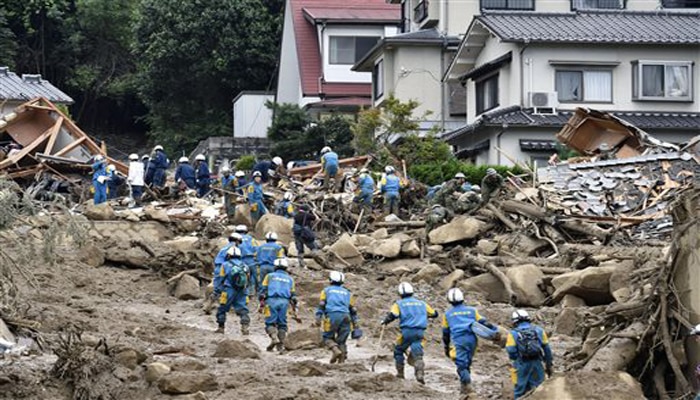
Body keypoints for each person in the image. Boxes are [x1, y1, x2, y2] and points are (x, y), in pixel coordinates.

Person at [442, 288, 498, 396]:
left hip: (459, 340)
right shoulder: (472, 310)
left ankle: (467, 387)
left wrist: (446, 347)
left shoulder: (448, 314)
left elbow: (445, 332)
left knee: (461, 364)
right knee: (467, 362)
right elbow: (484, 322)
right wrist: (495, 330)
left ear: (449, 300)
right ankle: (463, 387)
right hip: (472, 339)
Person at [381, 282, 439, 384]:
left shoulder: (398, 304)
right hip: (420, 332)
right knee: (418, 354)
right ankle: (419, 373)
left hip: (407, 332)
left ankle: (400, 374)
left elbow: (393, 314)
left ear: (400, 293)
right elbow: (434, 314)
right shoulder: (422, 303)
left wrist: (385, 321)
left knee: (398, 350)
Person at [506, 309, 553, 399]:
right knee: (540, 387)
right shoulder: (539, 330)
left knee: (519, 389)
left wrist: (516, 359)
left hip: (521, 364)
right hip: (537, 363)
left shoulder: (513, 333)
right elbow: (547, 348)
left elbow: (511, 350)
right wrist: (548, 363)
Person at [315, 271, 360, 364]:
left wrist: (318, 316)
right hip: (346, 316)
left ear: (330, 280)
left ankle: (335, 350)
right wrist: (355, 324)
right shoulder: (347, 293)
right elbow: (353, 309)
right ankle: (341, 362)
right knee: (342, 340)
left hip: (332, 316)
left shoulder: (326, 290)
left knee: (327, 337)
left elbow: (322, 304)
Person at [260, 257, 297, 352]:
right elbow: (293, 295)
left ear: (275, 267)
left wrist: (261, 303)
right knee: (282, 324)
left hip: (271, 301)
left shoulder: (269, 276)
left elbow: (263, 291)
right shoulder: (290, 279)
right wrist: (294, 308)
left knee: (270, 323)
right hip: (284, 302)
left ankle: (273, 338)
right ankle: (280, 346)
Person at [203, 232, 243, 314]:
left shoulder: (224, 247)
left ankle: (208, 306)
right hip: (225, 268)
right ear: (237, 241)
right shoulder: (233, 249)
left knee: (218, 288)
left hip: (218, 268)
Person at [216, 246, 250, 335]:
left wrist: (218, 290)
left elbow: (221, 278)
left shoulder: (225, 265)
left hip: (228, 290)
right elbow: (248, 279)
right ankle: (245, 328)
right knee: (243, 309)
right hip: (242, 291)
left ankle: (221, 328)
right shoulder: (245, 266)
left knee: (222, 308)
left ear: (228, 255)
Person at [235, 225, 260, 297]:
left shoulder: (236, 239)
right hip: (251, 260)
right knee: (253, 276)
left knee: (243, 276)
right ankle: (253, 292)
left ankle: (244, 292)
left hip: (241, 260)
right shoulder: (251, 239)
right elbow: (257, 249)